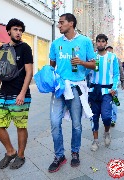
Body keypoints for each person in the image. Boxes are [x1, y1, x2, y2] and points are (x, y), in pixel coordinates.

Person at [48, 13, 95, 173]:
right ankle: (59, 155)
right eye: (58, 23)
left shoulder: (85, 41)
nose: (59, 25)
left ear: (71, 23)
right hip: (59, 89)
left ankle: (75, 152)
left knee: (76, 125)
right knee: (55, 123)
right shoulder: (55, 44)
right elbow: (52, 65)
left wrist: (81, 62)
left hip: (76, 88)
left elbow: (95, 65)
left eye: (61, 23)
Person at [0, 18, 33, 169]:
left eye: (20, 30)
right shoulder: (2, 49)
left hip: (20, 94)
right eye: (15, 29)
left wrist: (22, 94)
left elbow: (29, 72)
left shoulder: (25, 48)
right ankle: (10, 151)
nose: (18, 32)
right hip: (3, 94)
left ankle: (20, 155)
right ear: (8, 31)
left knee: (20, 126)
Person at [88, 34, 119, 152]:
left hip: (107, 92)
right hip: (94, 91)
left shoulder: (112, 57)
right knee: (94, 117)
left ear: (106, 43)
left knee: (106, 117)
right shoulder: (92, 57)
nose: (100, 43)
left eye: (102, 41)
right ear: (96, 43)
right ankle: (95, 141)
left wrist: (114, 87)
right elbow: (86, 73)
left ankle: (106, 132)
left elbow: (116, 74)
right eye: (98, 41)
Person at [105, 46, 124, 126]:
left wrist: (123, 82)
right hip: (105, 86)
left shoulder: (116, 59)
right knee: (107, 103)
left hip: (114, 85)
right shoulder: (103, 59)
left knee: (113, 102)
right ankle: (109, 117)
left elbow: (121, 71)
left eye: (111, 51)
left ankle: (113, 119)